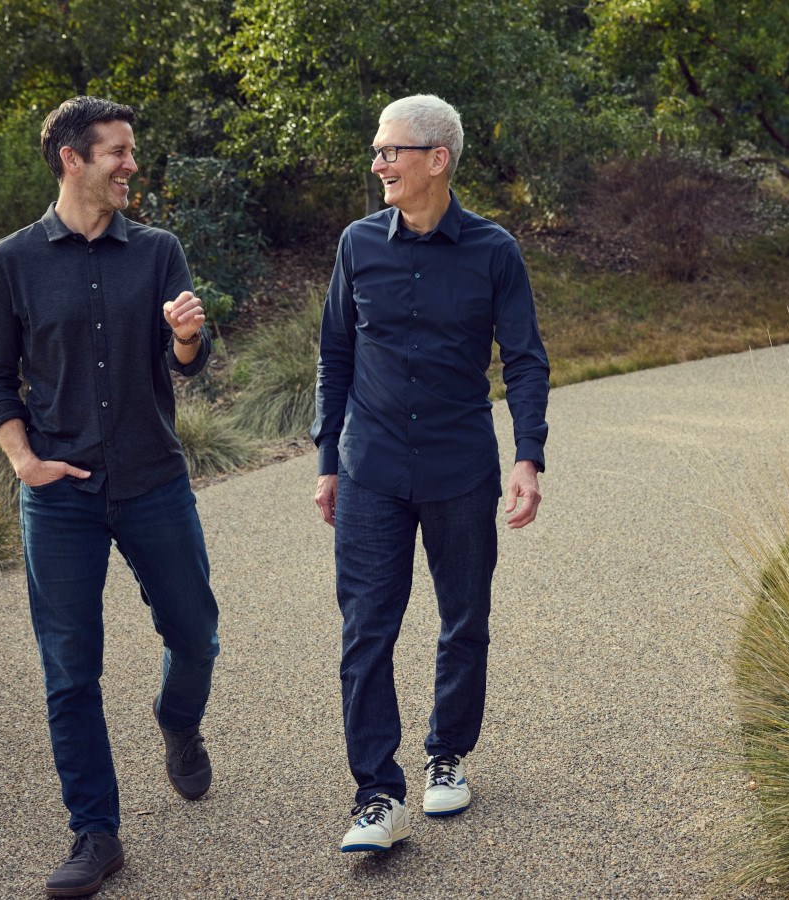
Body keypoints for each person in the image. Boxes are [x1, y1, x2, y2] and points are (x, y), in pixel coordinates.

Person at [0, 96, 220, 897]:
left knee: (196, 635)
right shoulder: (9, 262)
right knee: (70, 672)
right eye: (117, 151)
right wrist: (24, 461)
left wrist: (186, 334)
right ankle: (95, 832)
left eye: (131, 150)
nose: (131, 165)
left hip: (153, 480)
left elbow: (188, 360)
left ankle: (178, 724)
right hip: (61, 496)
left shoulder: (158, 251)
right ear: (72, 159)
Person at [311, 94, 550, 853]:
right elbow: (335, 356)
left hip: (458, 468)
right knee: (365, 631)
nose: (378, 164)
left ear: (436, 160)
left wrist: (527, 456)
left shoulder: (493, 251)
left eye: (391, 151)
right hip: (371, 469)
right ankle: (377, 796)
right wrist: (326, 463)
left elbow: (525, 361)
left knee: (463, 619)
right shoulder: (357, 244)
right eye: (377, 151)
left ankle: (447, 754)